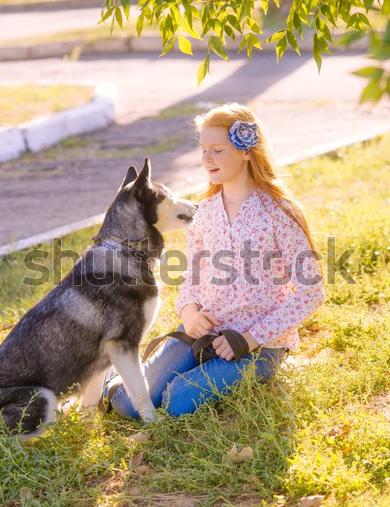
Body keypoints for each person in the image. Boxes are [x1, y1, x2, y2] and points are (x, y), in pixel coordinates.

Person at [104, 103, 325, 418]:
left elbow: (311, 292)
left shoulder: (279, 212)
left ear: (246, 151)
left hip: (261, 344)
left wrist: (250, 339)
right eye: (203, 149)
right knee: (130, 405)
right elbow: (193, 280)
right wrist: (190, 312)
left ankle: (214, 371)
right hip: (202, 332)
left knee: (174, 402)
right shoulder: (205, 212)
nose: (207, 158)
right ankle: (113, 382)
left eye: (218, 149)